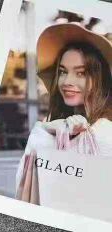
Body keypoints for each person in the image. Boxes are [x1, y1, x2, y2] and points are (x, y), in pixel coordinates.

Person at [16, 21, 112, 200]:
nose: (67, 81)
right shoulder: (54, 127)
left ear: (100, 78)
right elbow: (26, 187)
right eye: (62, 72)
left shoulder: (105, 134)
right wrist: (47, 128)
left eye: (81, 73)